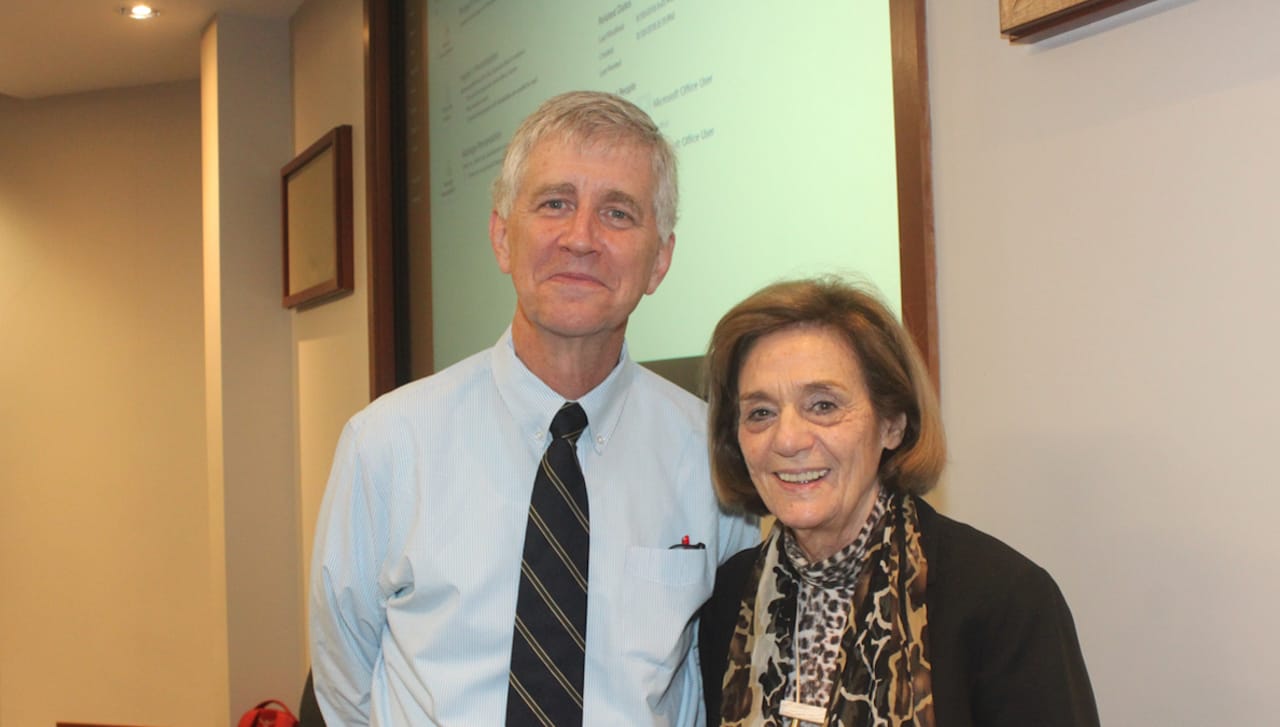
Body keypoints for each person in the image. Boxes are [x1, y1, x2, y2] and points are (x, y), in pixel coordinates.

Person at [308, 90, 756, 725]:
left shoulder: (716, 458)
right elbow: (344, 678)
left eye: (619, 213)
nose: (581, 238)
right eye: (554, 203)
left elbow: (724, 673)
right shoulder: (385, 443)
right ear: (501, 238)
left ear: (659, 261)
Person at [698, 277, 1100, 727]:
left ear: (892, 423)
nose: (787, 439)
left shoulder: (1003, 600)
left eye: (824, 405)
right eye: (761, 413)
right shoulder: (729, 598)